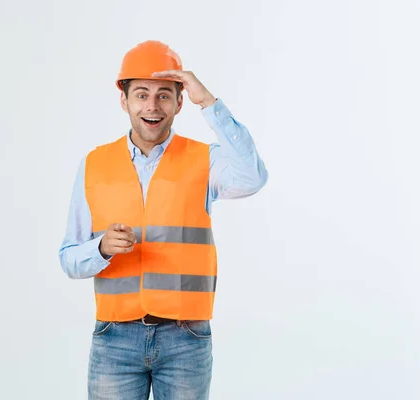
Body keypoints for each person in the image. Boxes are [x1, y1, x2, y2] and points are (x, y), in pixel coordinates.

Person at [59, 40, 269, 399]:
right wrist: (101, 248)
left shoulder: (205, 160)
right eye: (141, 94)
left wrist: (210, 104)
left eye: (164, 95)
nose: (152, 107)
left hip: (186, 338)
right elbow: (69, 259)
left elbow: (252, 177)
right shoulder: (94, 164)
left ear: (179, 102)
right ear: (123, 100)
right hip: (115, 339)